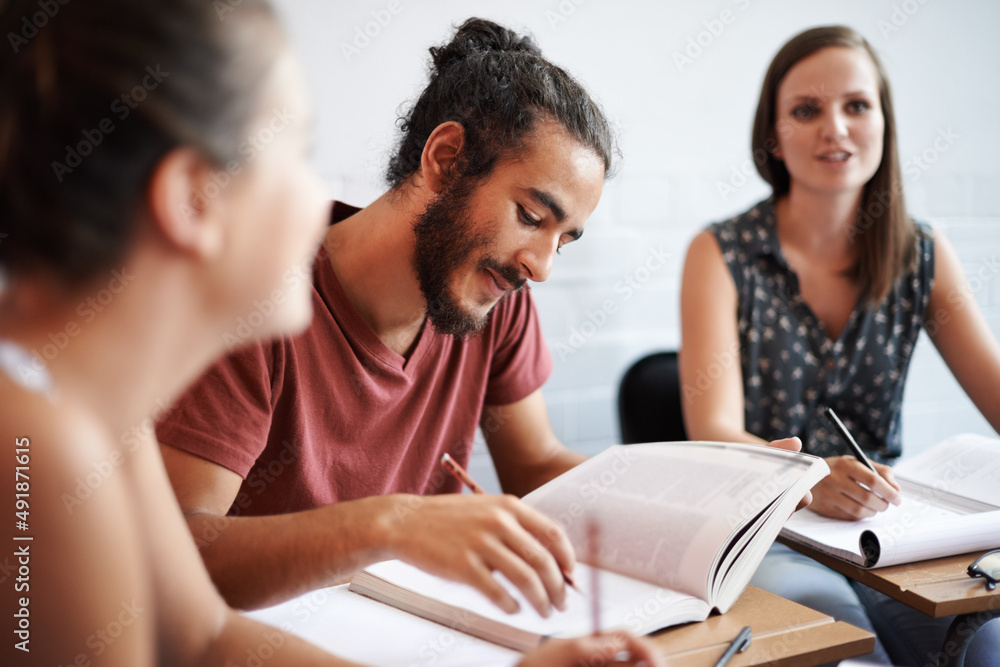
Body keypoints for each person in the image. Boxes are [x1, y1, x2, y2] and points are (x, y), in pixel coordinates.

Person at [0, 1, 661, 665]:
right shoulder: (37, 446)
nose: (321, 193)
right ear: (192, 198)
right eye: (295, 153)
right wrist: (389, 522)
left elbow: (205, 638)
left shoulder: (101, 413)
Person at [153, 17, 613, 615]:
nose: (542, 267)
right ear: (446, 159)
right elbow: (179, 554)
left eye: (565, 239)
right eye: (530, 216)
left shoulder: (495, 293)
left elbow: (535, 463)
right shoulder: (257, 294)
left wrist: (701, 491)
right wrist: (391, 523)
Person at [679, 25, 1000, 666]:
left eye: (857, 105)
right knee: (847, 652)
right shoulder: (719, 253)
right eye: (806, 110)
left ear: (885, 121)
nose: (836, 128)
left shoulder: (924, 256)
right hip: (767, 534)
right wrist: (808, 479)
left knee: (986, 647)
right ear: (772, 136)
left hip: (890, 535)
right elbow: (711, 432)